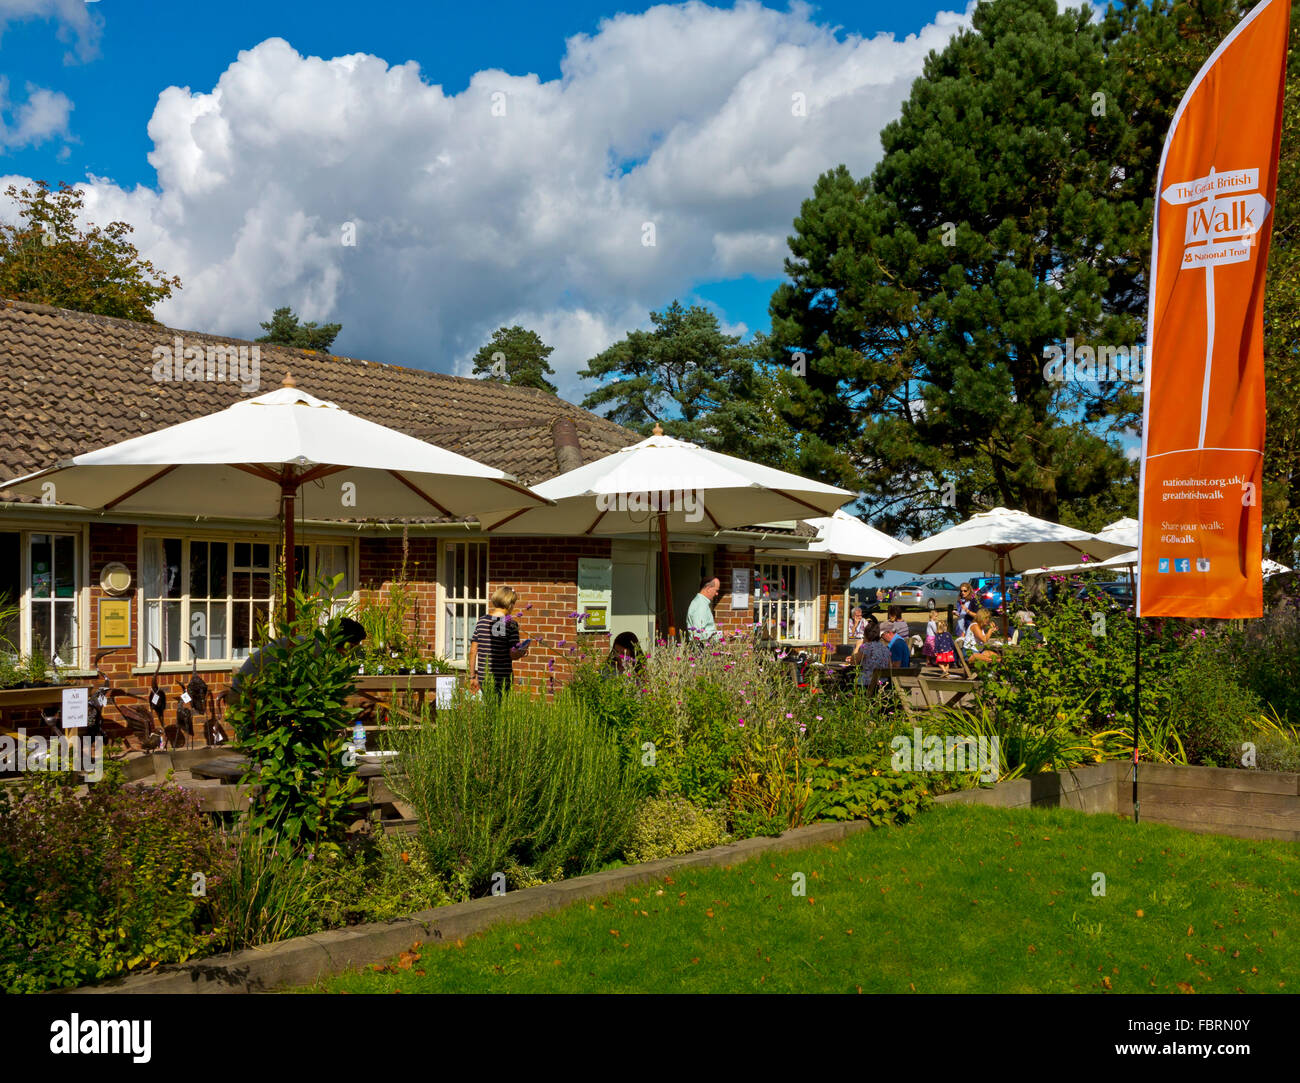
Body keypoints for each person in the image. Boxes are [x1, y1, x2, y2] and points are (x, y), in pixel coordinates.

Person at [229, 615, 366, 708]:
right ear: (343, 641)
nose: (350, 653)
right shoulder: (315, 651)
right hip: (246, 696)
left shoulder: (313, 643)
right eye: (352, 647)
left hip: (250, 692)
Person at [468, 586, 531, 699]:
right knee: (499, 710)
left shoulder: (481, 621)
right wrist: (523, 650)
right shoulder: (510, 625)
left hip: (483, 676)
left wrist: (472, 676)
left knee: (487, 708)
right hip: (502, 678)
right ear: (510, 604)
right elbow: (512, 654)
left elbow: (473, 651)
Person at [856, 621, 893, 687]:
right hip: (883, 684)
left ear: (866, 635)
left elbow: (854, 661)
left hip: (866, 684)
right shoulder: (886, 648)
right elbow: (890, 666)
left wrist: (858, 646)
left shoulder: (866, 647)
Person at [686, 574, 720, 642]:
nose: (717, 594)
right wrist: (721, 635)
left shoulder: (701, 603)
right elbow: (698, 634)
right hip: (701, 649)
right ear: (708, 589)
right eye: (716, 590)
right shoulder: (700, 605)